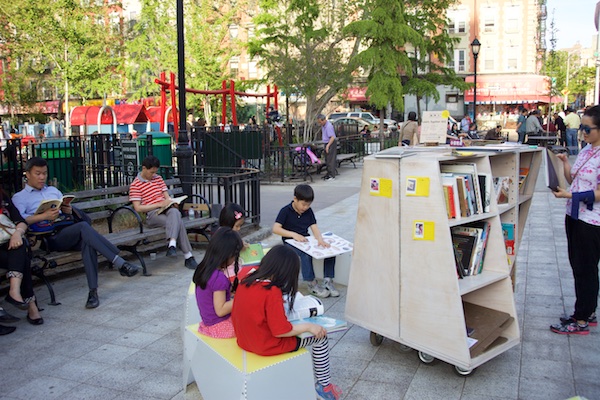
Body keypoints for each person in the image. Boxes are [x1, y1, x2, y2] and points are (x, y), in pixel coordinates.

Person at [12, 157, 140, 309]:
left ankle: (93, 293)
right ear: (27, 174)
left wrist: (69, 210)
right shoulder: (20, 197)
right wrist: (43, 216)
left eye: (44, 173)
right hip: (50, 238)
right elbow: (20, 221)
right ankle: (120, 263)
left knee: (88, 241)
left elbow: (78, 215)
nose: (42, 177)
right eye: (37, 173)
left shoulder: (53, 191)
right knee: (83, 228)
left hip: (68, 230)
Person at [231, 245, 342, 400]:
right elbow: (280, 331)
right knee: (321, 337)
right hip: (265, 344)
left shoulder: (247, 280)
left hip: (244, 340)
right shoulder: (271, 291)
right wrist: (309, 326)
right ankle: (323, 386)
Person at [549, 105, 600, 335]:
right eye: (582, 127)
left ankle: (581, 319)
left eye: (587, 128)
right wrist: (565, 164)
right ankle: (586, 312)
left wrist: (570, 195)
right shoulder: (587, 150)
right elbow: (575, 180)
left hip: (592, 221)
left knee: (585, 268)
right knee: (578, 266)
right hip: (575, 215)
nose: (583, 132)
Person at [129, 155, 199, 269]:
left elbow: (166, 197)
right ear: (144, 168)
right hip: (153, 214)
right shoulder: (136, 185)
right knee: (178, 222)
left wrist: (171, 202)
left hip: (166, 209)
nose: (153, 175)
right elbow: (138, 208)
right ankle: (188, 256)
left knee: (175, 213)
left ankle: (172, 244)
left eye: (155, 172)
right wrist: (158, 205)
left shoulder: (158, 178)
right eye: (151, 172)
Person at [273, 184, 338, 298]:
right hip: (290, 242)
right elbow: (276, 229)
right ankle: (311, 283)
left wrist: (320, 240)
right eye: (303, 204)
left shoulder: (308, 211)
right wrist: (293, 235)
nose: (305, 207)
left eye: (308, 205)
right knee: (305, 254)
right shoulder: (285, 211)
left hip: (305, 240)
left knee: (330, 249)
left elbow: (314, 227)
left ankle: (328, 281)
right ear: (295, 199)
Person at [1, 189, 44, 326]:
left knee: (19, 247)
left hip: (7, 245)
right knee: (22, 257)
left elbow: (20, 221)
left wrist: (17, 233)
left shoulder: (3, 197)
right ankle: (31, 305)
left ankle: (14, 291)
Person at [193, 227, 243, 338]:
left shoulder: (205, 269)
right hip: (219, 326)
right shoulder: (218, 278)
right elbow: (220, 310)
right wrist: (244, 298)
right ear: (228, 254)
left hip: (208, 324)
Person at [316, 114, 337, 181]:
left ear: (324, 120)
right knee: (327, 159)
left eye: (320, 122)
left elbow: (332, 137)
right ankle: (328, 173)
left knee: (330, 159)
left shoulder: (328, 126)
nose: (320, 123)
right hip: (326, 142)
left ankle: (331, 175)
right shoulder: (323, 126)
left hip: (330, 143)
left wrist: (328, 146)